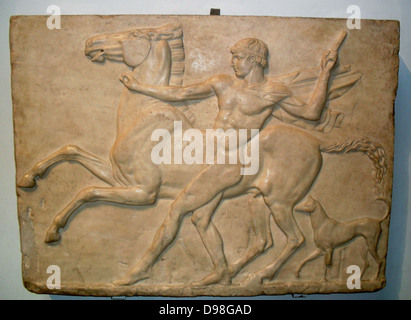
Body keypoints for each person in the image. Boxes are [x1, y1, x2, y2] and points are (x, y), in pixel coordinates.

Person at [113, 38, 338, 286]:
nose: (233, 63)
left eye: (238, 57)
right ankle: (222, 272)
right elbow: (182, 93)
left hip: (231, 163)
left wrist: (325, 74)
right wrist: (140, 87)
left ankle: (143, 268)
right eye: (233, 57)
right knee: (200, 218)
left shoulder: (273, 92)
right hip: (206, 155)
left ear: (254, 60)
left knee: (178, 209)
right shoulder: (223, 83)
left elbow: (311, 113)